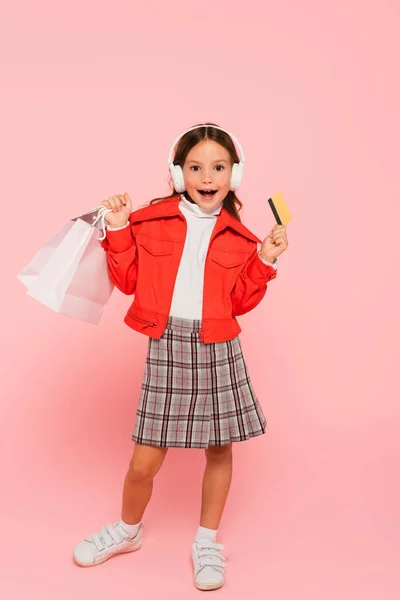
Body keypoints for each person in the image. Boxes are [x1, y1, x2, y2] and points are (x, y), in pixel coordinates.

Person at [73, 123, 289, 591]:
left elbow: (239, 302)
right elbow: (128, 280)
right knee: (145, 460)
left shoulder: (240, 237)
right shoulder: (151, 222)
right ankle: (128, 531)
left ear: (234, 174)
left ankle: (207, 541)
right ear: (177, 172)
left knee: (219, 447)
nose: (207, 176)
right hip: (168, 345)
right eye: (195, 167)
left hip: (218, 345)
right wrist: (117, 227)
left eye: (218, 167)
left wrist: (265, 261)